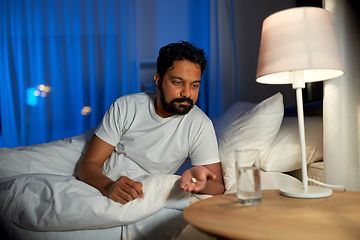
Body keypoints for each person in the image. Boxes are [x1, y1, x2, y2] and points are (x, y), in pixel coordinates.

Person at [77, 41, 224, 204]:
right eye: (178, 83)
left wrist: (198, 183)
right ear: (158, 81)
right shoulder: (125, 106)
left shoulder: (200, 124)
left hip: (145, 192)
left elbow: (217, 186)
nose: (187, 93)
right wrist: (107, 187)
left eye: (194, 85)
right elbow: (88, 164)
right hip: (105, 181)